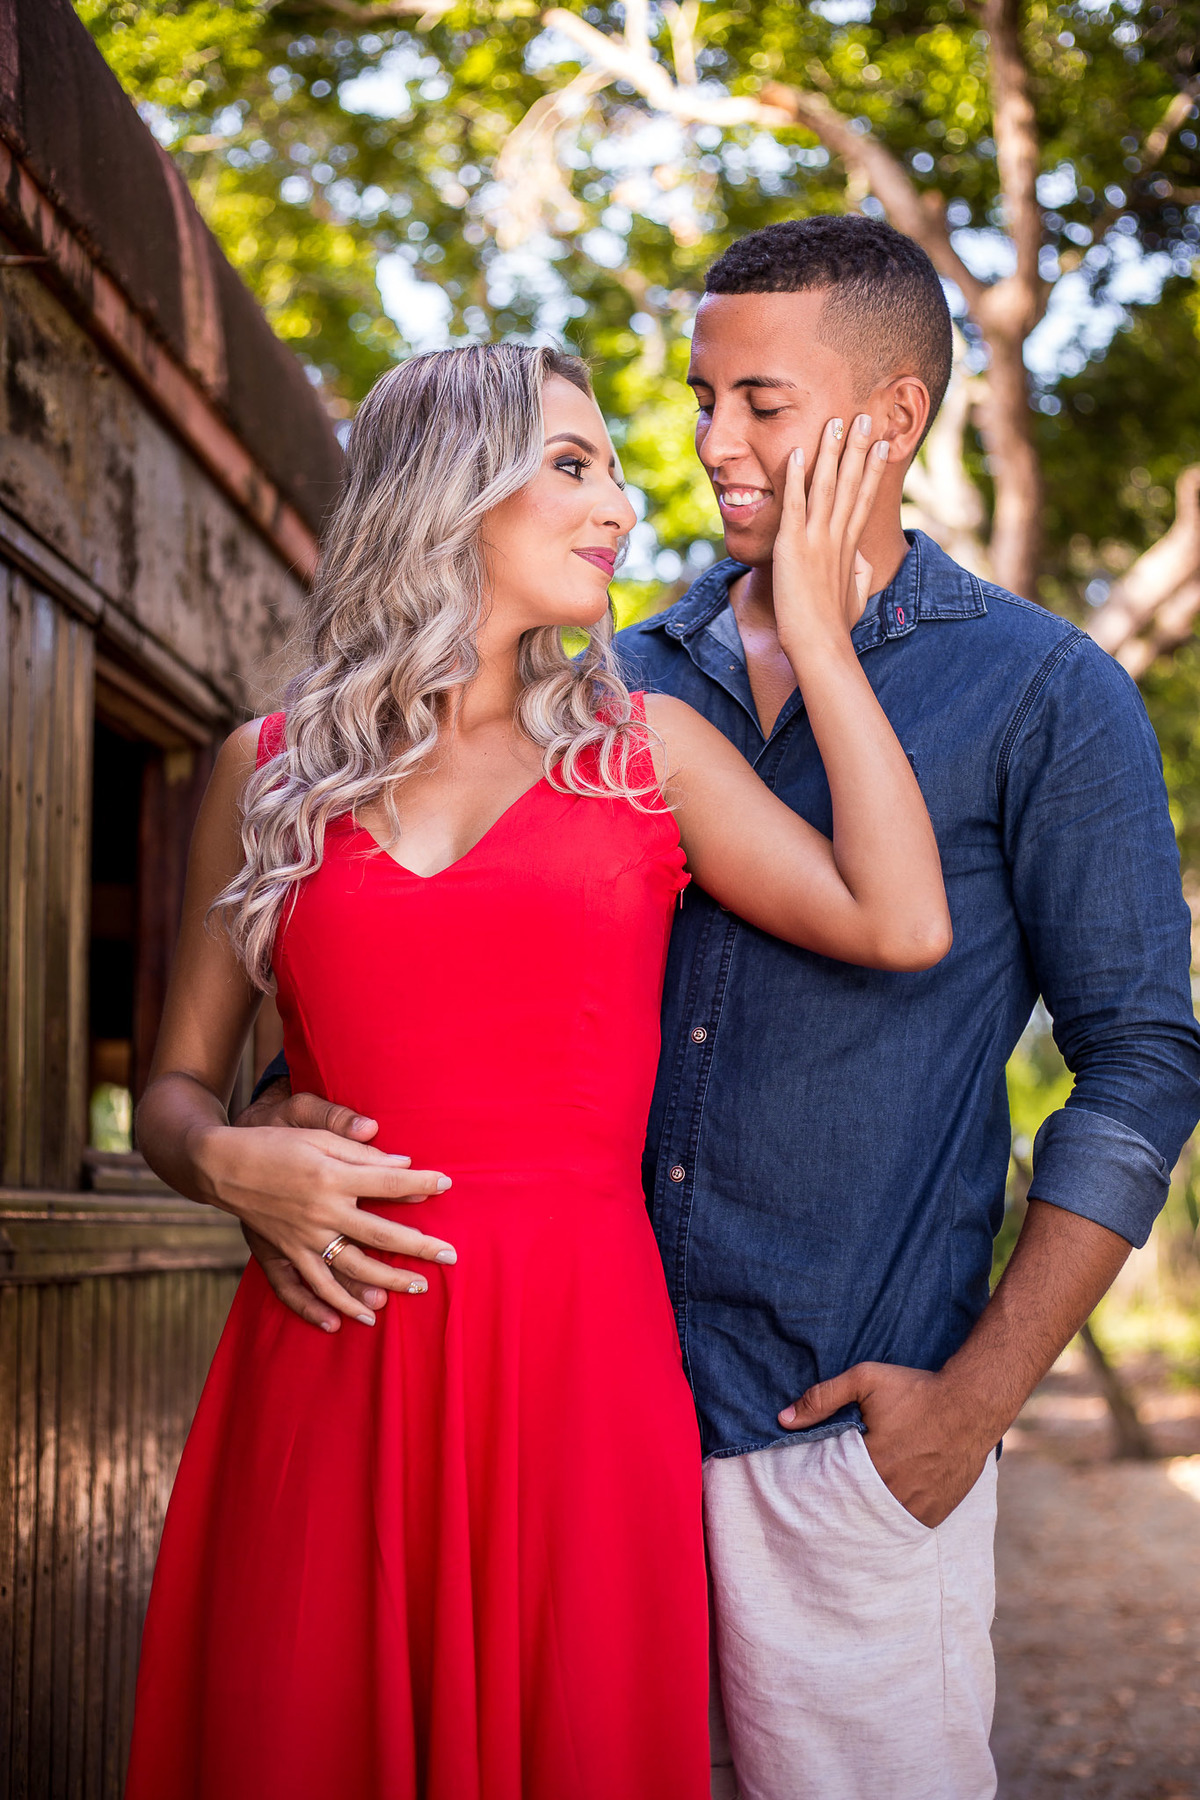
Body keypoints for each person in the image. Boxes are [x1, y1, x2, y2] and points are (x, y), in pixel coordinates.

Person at [245, 219, 1200, 1800]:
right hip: (562, 1424)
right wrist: (255, 1137)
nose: (709, 445)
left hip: (834, 1434)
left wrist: (976, 1402)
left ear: (893, 416)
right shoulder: (598, 690)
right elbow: (405, 990)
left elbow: (1142, 1064)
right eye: (701, 399)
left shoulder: (1043, 693)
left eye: (761, 402)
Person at [123, 340, 950, 1800]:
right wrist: (224, 1160)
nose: (620, 506)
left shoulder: (646, 756)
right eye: (574, 465)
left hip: (576, 1361)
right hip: (330, 1345)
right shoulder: (272, 772)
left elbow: (901, 922)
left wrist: (820, 637)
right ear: (448, 488)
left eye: (615, 472)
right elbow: (172, 1094)